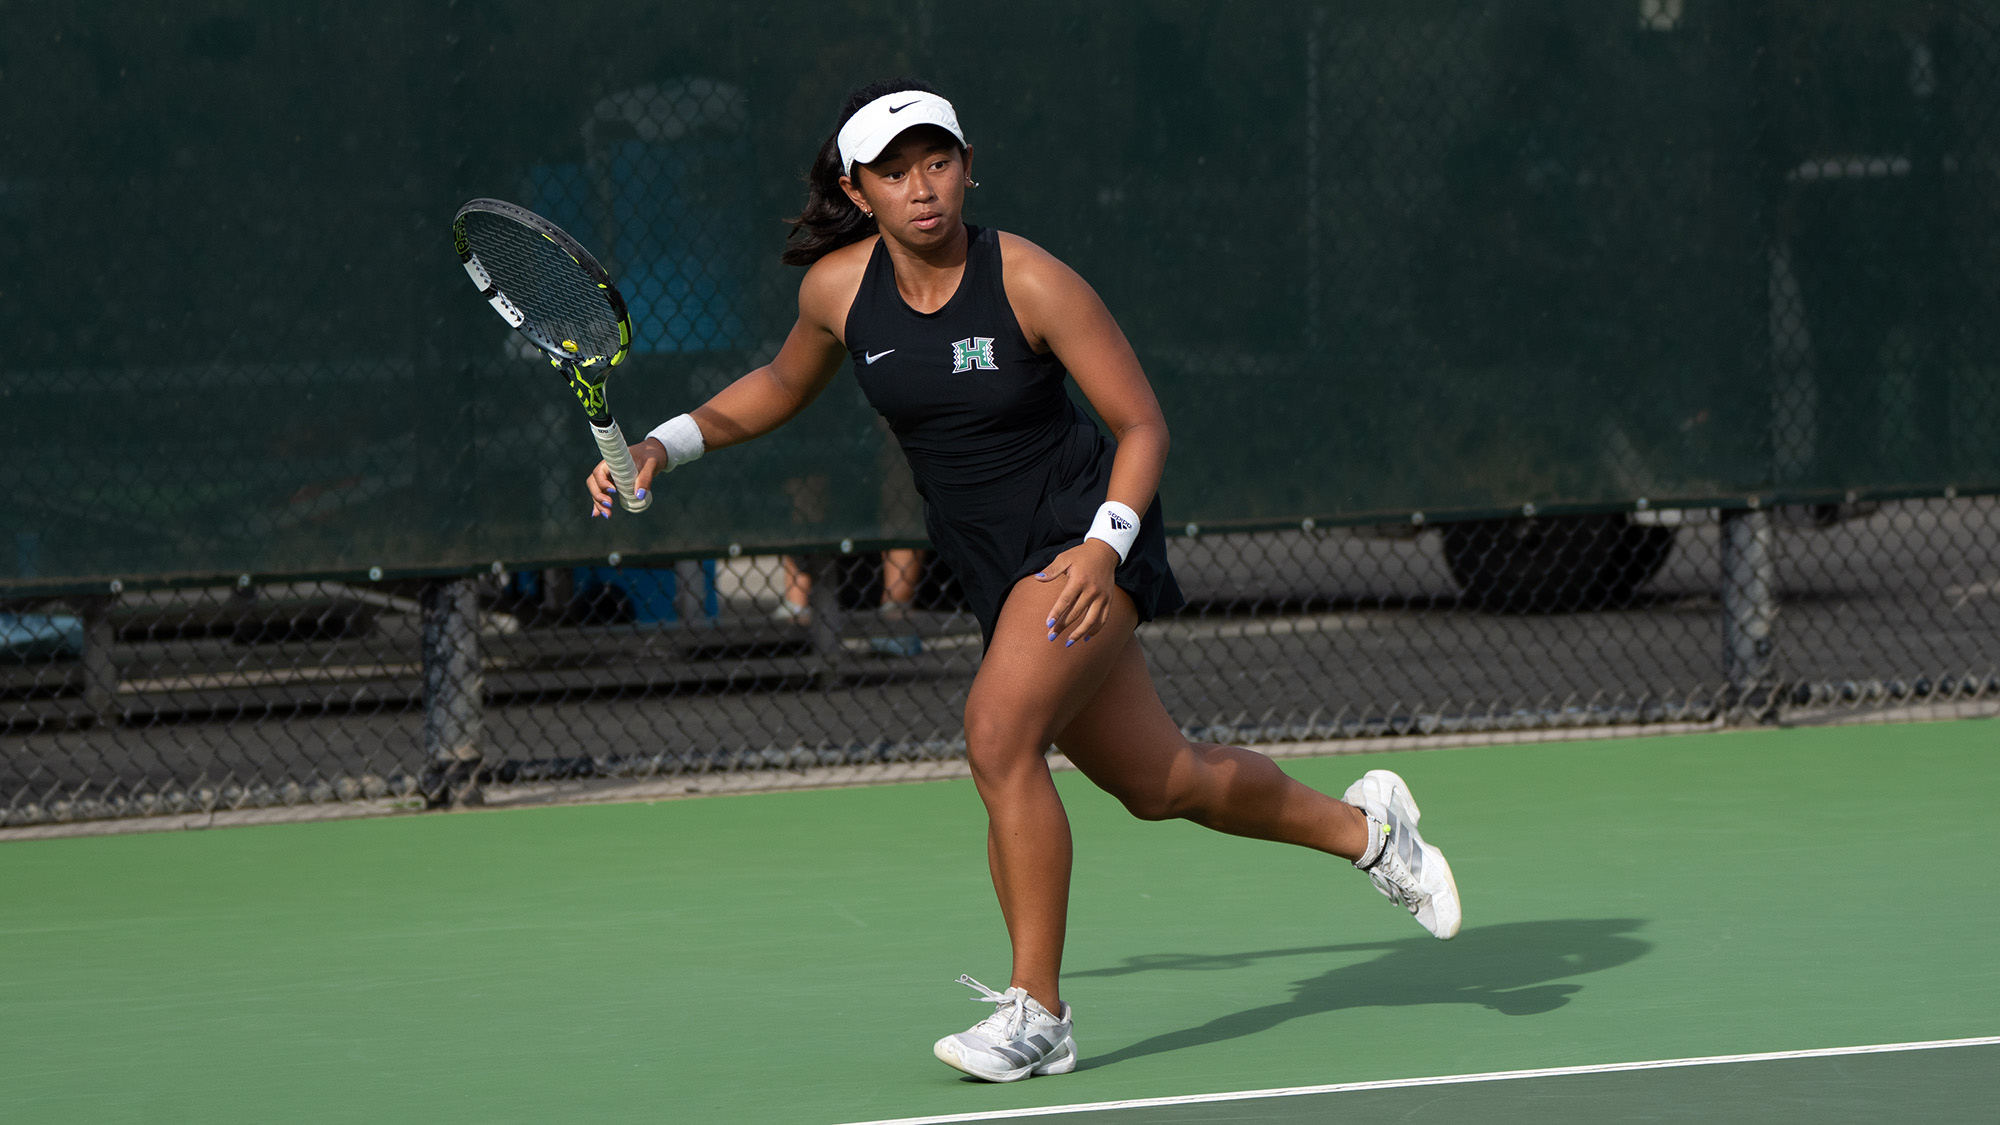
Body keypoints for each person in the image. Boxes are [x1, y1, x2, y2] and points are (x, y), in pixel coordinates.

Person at [585, 78, 1462, 1083]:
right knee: (1159, 781)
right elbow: (781, 385)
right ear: (856, 186)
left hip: (1086, 534)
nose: (923, 187)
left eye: (938, 160)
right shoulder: (835, 291)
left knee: (998, 735)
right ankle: (1370, 832)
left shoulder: (1030, 281)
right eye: (896, 170)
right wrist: (663, 444)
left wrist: (1105, 546)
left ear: (965, 166)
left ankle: (1036, 1014)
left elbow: (1142, 426)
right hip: (991, 562)